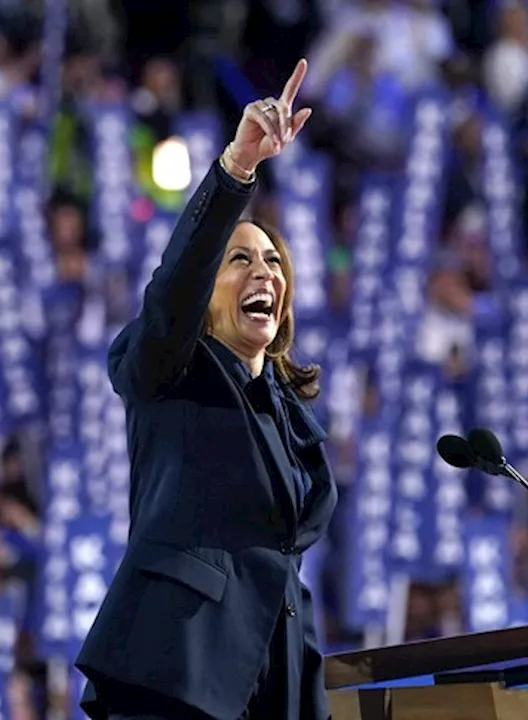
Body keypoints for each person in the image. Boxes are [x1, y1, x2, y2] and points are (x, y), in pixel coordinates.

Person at [76, 60, 336, 720]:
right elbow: (173, 291)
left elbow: (280, 576)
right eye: (240, 259)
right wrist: (236, 172)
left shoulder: (291, 418)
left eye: (274, 261)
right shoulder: (170, 370)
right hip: (175, 672)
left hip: (266, 688)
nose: (265, 273)